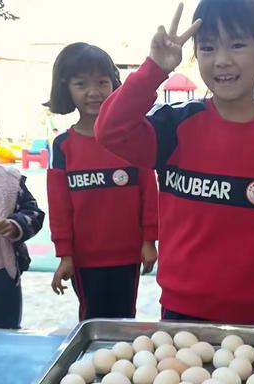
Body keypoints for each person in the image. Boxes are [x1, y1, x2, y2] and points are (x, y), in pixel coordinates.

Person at [95, 1, 254, 324]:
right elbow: (109, 130)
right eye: (208, 47)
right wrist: (154, 69)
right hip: (180, 307)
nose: (222, 60)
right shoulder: (175, 124)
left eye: (237, 44)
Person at [46, 42, 159, 321]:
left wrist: (149, 241)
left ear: (114, 84)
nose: (93, 92)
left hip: (128, 256)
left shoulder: (132, 140)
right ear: (66, 88)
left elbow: (149, 192)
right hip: (85, 261)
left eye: (102, 82)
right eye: (81, 84)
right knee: (93, 319)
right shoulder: (62, 147)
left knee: (125, 320)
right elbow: (60, 209)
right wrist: (65, 255)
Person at [0, 109, 44, 328]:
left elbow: (34, 213)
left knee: (9, 330)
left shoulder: (10, 178)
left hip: (6, 273)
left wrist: (14, 225)